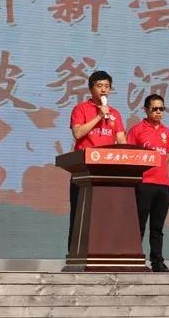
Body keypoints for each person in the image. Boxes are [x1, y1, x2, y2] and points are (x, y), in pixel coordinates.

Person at [68, 70, 126, 249]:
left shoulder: (115, 113)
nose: (103, 90)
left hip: (107, 171)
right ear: (90, 88)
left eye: (107, 86)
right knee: (80, 214)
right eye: (99, 86)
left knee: (105, 215)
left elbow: (122, 140)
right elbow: (78, 133)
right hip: (84, 170)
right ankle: (76, 254)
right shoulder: (80, 109)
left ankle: (103, 252)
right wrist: (100, 116)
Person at [127, 94, 169, 273]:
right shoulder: (137, 130)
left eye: (161, 109)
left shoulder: (166, 132)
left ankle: (157, 262)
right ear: (146, 110)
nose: (158, 112)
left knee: (157, 227)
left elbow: (167, 156)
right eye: (154, 109)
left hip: (163, 184)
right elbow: (129, 155)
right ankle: (134, 260)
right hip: (144, 183)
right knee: (138, 224)